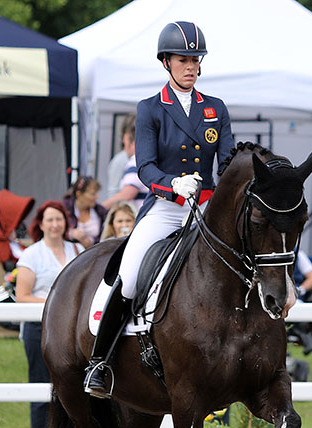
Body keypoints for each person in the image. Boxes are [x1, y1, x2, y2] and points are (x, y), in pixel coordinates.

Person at [83, 21, 234, 398]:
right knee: (131, 275)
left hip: (206, 211)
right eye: (183, 60)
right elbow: (145, 166)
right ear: (166, 62)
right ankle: (99, 363)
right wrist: (172, 184)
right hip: (167, 207)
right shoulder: (150, 109)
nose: (191, 67)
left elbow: (227, 160)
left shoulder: (215, 108)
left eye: (196, 60)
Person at [15, 201, 82, 428]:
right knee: (41, 385)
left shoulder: (77, 249)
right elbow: (22, 295)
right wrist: (58, 304)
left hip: (74, 331)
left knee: (74, 387)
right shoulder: (32, 254)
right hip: (40, 328)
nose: (55, 225)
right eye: (49, 220)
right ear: (41, 224)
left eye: (59, 219)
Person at [100, 116, 149, 212]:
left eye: (124, 141)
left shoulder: (136, 161)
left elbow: (127, 194)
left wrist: (99, 209)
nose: (124, 145)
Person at [62, 176, 107, 248]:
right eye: (93, 194)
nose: (97, 197)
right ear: (79, 194)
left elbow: (106, 235)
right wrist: (70, 233)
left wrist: (91, 241)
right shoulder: (64, 209)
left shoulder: (101, 211)